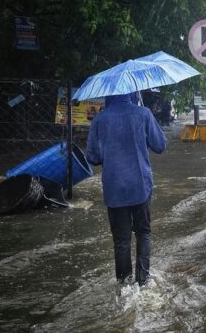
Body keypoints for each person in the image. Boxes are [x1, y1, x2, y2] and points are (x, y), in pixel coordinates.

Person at [85, 91, 166, 287]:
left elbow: (92, 158)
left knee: (121, 241)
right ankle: (143, 282)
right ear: (132, 93)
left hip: (114, 190)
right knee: (143, 234)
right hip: (141, 188)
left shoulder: (100, 120)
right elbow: (160, 145)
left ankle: (123, 287)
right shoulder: (144, 114)